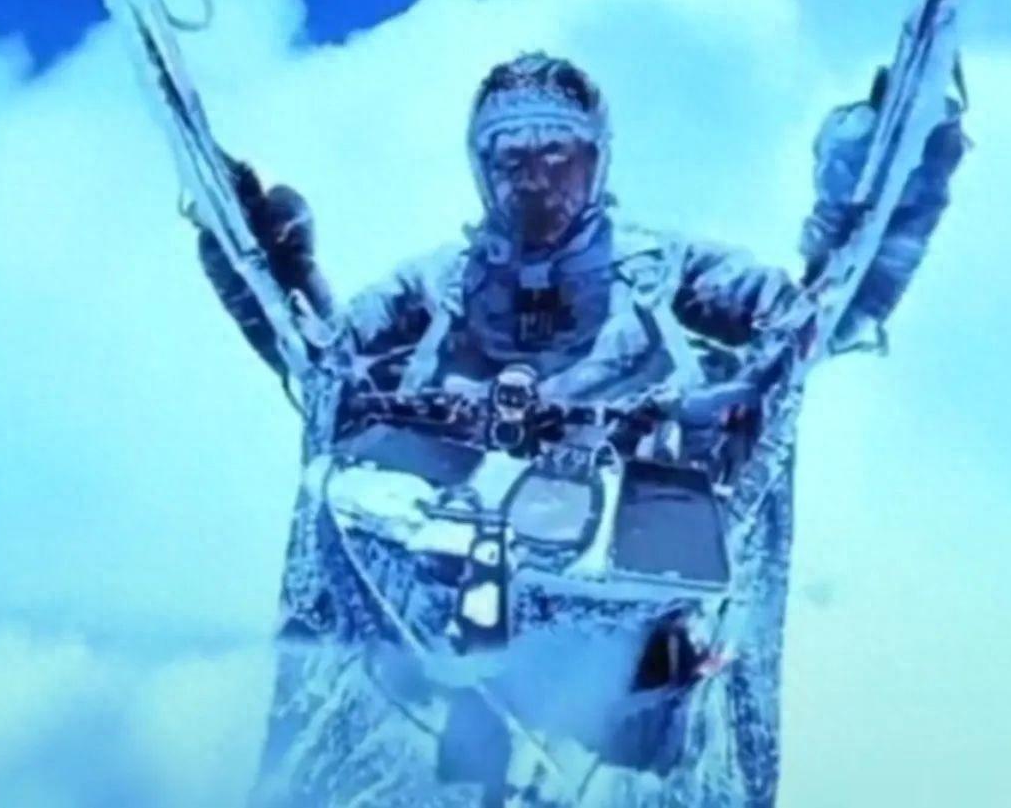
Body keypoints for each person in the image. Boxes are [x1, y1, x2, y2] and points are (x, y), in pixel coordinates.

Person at [196, 51, 964, 807]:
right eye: (513, 157)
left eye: (556, 154)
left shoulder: (661, 266)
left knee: (639, 708)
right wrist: (274, 273)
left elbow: (810, 320)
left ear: (594, 160)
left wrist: (883, 209)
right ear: (484, 167)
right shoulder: (439, 282)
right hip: (453, 573)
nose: (535, 179)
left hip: (627, 579)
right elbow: (326, 363)